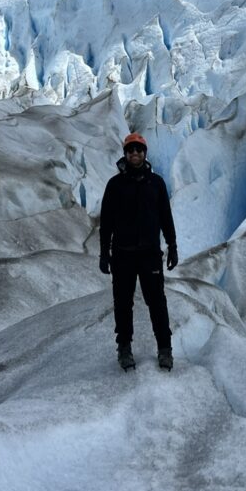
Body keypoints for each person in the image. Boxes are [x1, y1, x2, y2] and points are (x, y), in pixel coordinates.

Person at [99, 132, 179, 371]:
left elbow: (166, 217)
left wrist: (172, 246)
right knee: (122, 304)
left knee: (157, 303)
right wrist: (104, 254)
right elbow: (106, 222)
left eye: (139, 149)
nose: (135, 153)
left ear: (145, 153)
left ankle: (165, 349)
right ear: (125, 153)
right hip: (122, 255)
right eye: (131, 150)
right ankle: (124, 349)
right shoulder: (114, 185)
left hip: (150, 255)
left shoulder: (156, 183)